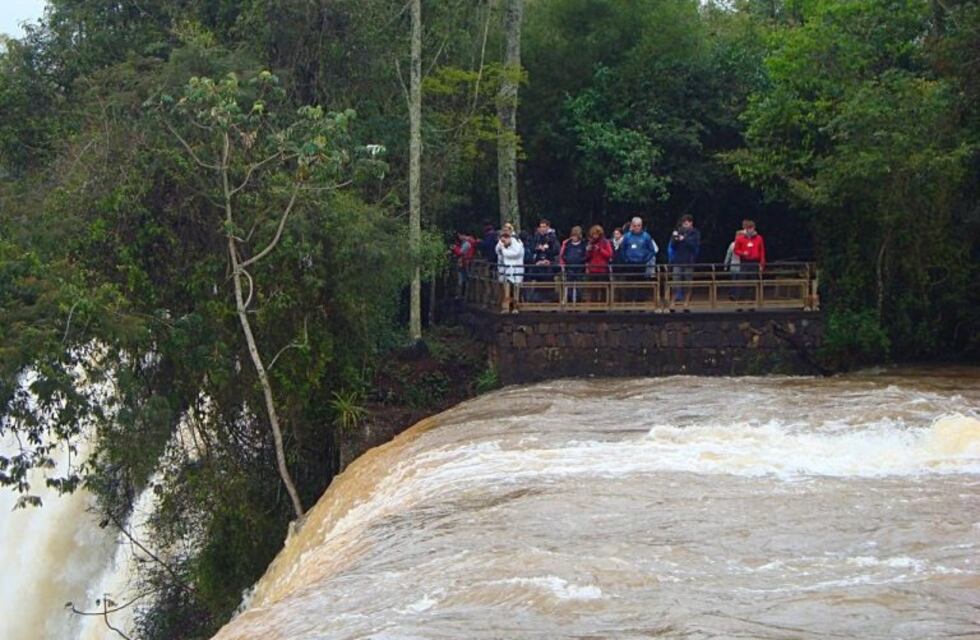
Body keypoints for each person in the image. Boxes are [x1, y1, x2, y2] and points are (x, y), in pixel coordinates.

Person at [620, 216, 658, 302]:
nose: (637, 227)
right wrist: (626, 259)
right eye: (635, 225)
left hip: (641, 264)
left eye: (639, 225)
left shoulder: (646, 236)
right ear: (632, 226)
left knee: (641, 283)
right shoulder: (627, 236)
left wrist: (645, 259)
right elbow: (622, 250)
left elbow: (652, 250)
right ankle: (629, 302)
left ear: (641, 226)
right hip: (629, 264)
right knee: (629, 283)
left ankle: (640, 302)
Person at [668, 214, 701, 309]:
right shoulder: (678, 231)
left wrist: (684, 239)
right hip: (677, 260)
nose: (685, 225)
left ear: (691, 223)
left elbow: (694, 245)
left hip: (689, 261)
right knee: (675, 282)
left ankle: (686, 303)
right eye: (683, 223)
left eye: (687, 223)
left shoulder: (695, 233)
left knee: (688, 282)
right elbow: (673, 246)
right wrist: (675, 238)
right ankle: (673, 302)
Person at [732, 219, 766, 304]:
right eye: (748, 228)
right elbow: (736, 250)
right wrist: (743, 253)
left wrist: (762, 264)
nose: (750, 230)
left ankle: (752, 303)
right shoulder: (740, 238)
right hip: (744, 262)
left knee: (753, 283)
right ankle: (740, 302)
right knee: (742, 282)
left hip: (754, 262)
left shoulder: (759, 238)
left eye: (751, 228)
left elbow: (762, 251)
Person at [526, 218, 560, 302]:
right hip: (538, 265)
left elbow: (556, 251)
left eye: (544, 227)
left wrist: (547, 252)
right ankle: (537, 302)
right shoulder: (536, 237)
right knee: (538, 285)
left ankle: (551, 302)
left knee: (549, 285)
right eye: (541, 227)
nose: (542, 229)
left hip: (549, 265)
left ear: (548, 227)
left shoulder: (553, 237)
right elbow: (531, 249)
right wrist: (537, 248)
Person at [495, 229, 524, 312]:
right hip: (506, 271)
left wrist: (503, 249)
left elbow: (514, 254)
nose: (503, 243)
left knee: (516, 290)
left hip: (516, 270)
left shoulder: (517, 245)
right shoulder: (503, 244)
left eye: (504, 240)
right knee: (506, 289)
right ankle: (506, 307)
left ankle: (515, 307)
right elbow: (498, 251)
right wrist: (501, 245)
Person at [585, 225, 613, 303]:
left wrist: (600, 250)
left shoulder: (605, 242)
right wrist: (588, 251)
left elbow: (609, 254)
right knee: (593, 290)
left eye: (596, 234)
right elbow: (587, 257)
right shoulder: (590, 242)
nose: (595, 236)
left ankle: (604, 305)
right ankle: (593, 305)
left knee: (603, 290)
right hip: (593, 270)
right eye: (593, 234)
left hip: (603, 269)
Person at [560, 226, 588, 303]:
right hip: (569, 269)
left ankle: (578, 302)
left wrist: (581, 261)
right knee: (569, 286)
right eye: (573, 235)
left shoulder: (583, 245)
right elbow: (562, 255)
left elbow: (586, 256)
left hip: (579, 269)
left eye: (576, 236)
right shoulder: (567, 244)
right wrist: (565, 261)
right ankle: (569, 301)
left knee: (579, 287)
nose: (574, 237)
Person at [450, 231, 477, 299]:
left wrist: (454, 248)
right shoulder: (466, 243)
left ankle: (463, 295)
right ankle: (462, 295)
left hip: (466, 263)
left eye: (460, 236)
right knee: (463, 279)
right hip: (465, 263)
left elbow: (461, 252)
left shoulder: (467, 243)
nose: (459, 237)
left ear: (463, 235)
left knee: (464, 279)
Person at [724, 229, 745, 301]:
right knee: (735, 281)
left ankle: (735, 294)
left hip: (738, 266)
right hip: (736, 266)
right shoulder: (733, 245)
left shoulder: (733, 244)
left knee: (736, 281)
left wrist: (725, 265)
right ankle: (734, 294)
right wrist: (726, 264)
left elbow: (728, 255)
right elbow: (728, 255)